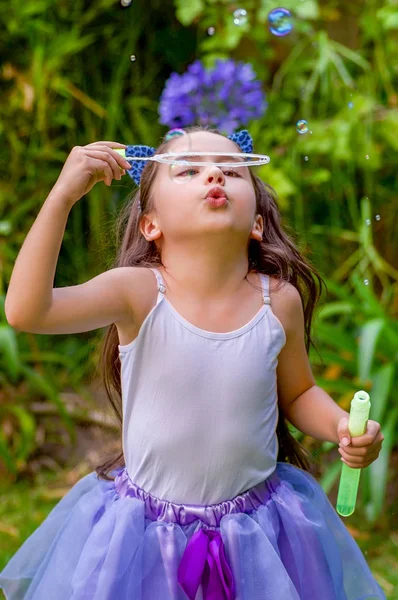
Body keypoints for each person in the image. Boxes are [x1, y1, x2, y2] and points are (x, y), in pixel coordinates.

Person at [0, 126, 386, 600]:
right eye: (188, 170)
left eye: (230, 170)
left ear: (258, 223)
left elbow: (299, 393)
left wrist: (342, 425)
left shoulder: (276, 301)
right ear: (151, 225)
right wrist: (62, 196)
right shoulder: (137, 293)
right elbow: (26, 311)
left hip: (257, 533)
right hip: (144, 539)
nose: (213, 177)